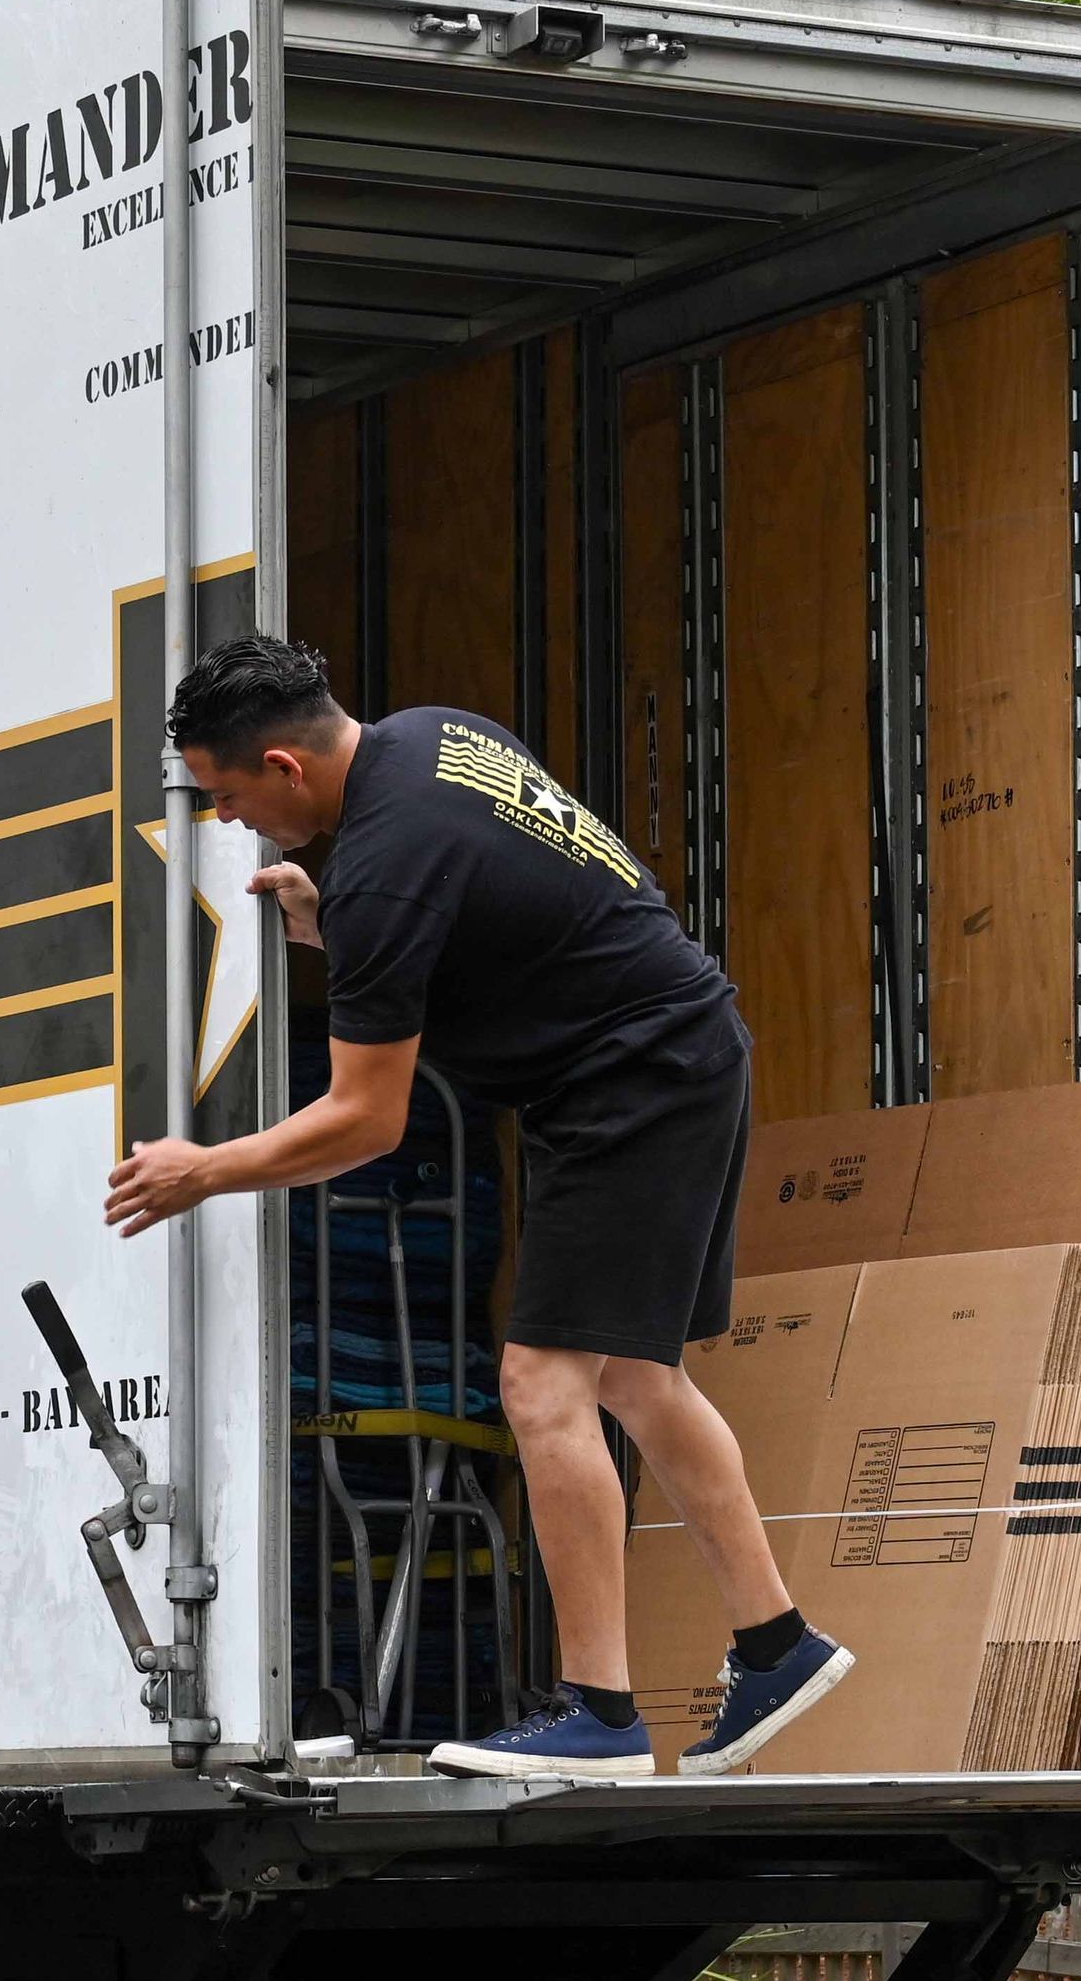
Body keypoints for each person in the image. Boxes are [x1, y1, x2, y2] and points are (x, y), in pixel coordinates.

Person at [104, 634, 853, 1777]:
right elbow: (490, 902)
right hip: (678, 1051)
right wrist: (341, 920)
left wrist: (203, 1169)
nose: (230, 819)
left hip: (630, 1083)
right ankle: (777, 1646)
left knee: (539, 1382)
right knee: (636, 1375)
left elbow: (366, 1120)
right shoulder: (429, 739)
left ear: (283, 768)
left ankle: (599, 1713)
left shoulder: (387, 866)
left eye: (227, 795)